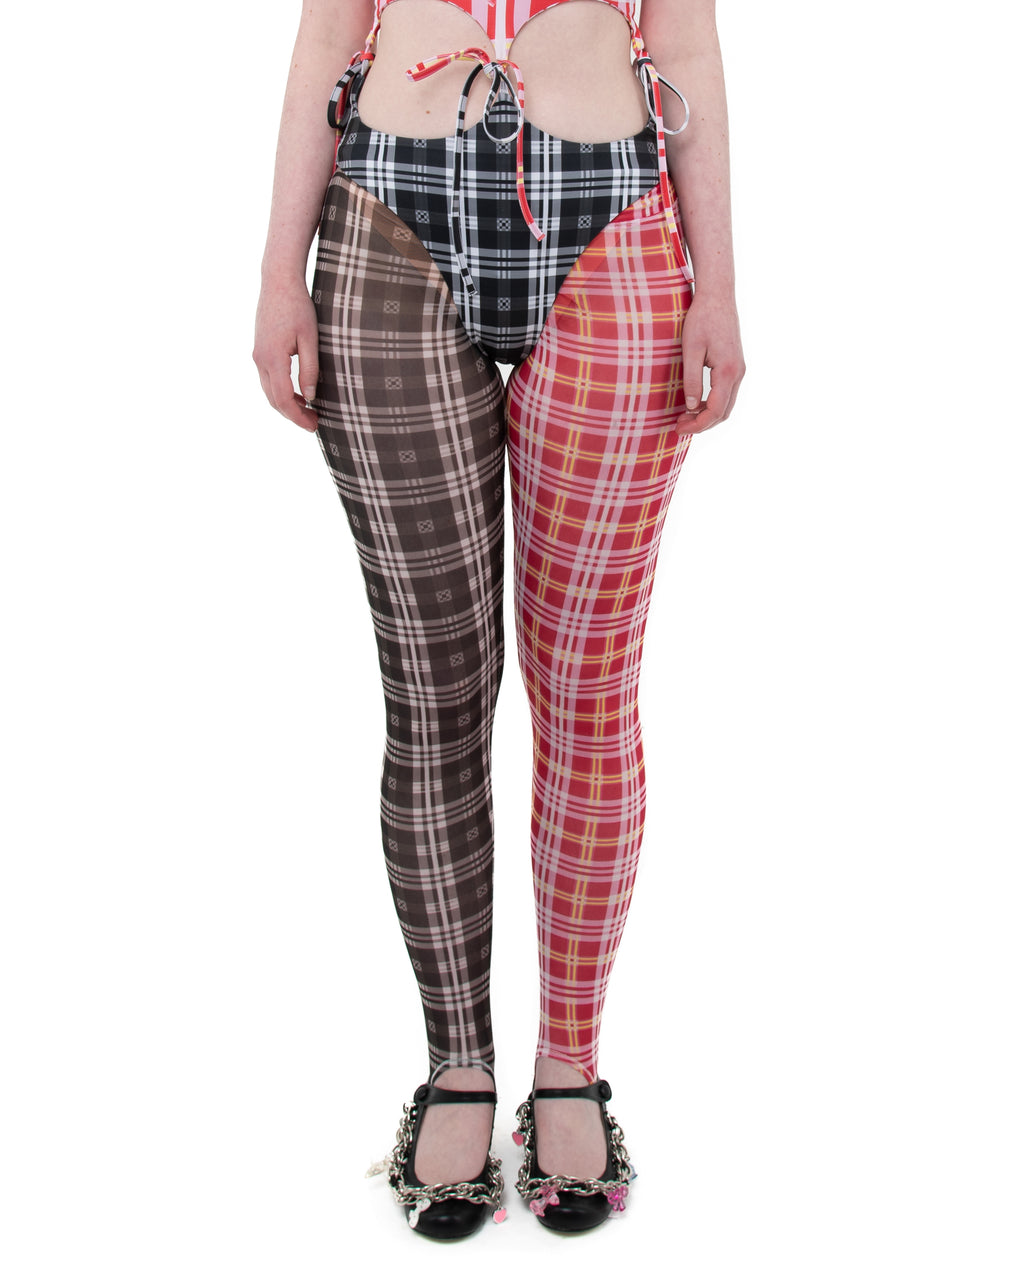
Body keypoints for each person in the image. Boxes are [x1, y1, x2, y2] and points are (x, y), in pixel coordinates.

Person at [253, 0, 744, 1239]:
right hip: (387, 219)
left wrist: (721, 288)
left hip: (617, 227)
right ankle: (458, 1062)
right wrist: (275, 275)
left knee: (588, 689)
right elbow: (325, 40)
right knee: (434, 696)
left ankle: (569, 1060)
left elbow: (685, 44)